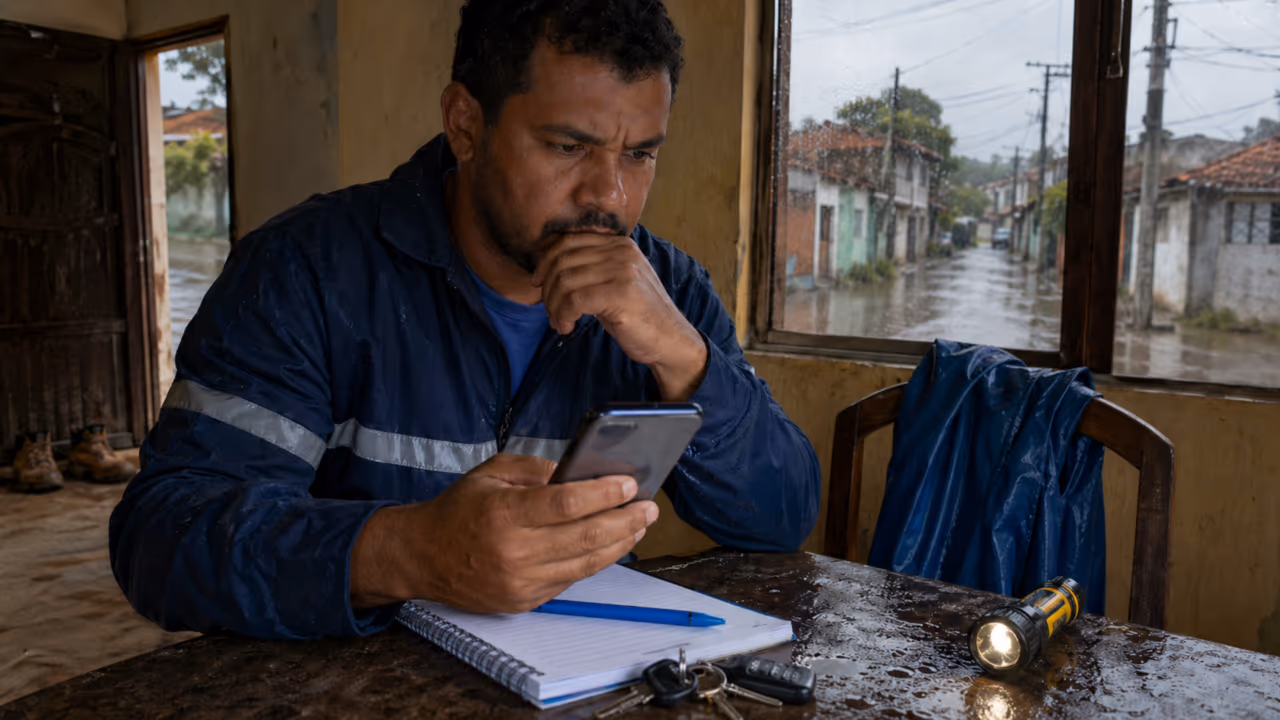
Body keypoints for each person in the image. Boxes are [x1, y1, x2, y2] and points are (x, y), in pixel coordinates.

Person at [109, 0, 821, 640]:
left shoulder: (671, 293)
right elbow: (162, 540)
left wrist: (686, 361)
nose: (610, 193)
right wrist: (411, 551)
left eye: (639, 154)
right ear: (466, 125)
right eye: (569, 146)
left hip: (581, 674)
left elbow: (781, 521)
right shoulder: (307, 270)